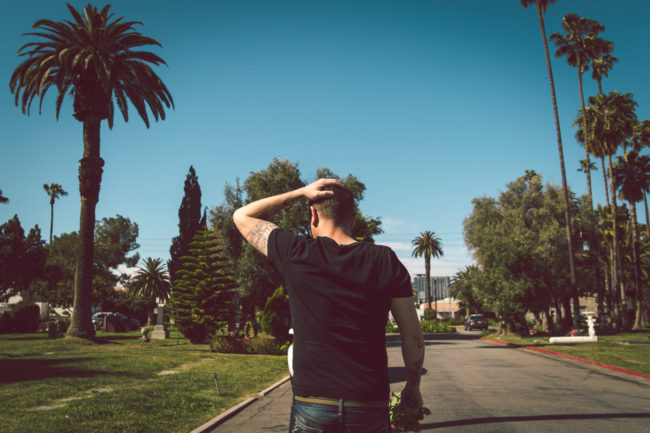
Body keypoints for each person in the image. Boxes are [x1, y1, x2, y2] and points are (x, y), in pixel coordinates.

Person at [233, 178, 424, 433]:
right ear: (353, 217)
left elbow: (242, 215)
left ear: (312, 215)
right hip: (368, 402)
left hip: (313, 404)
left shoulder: (296, 251)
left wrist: (302, 192)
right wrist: (413, 386)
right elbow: (412, 336)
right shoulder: (385, 260)